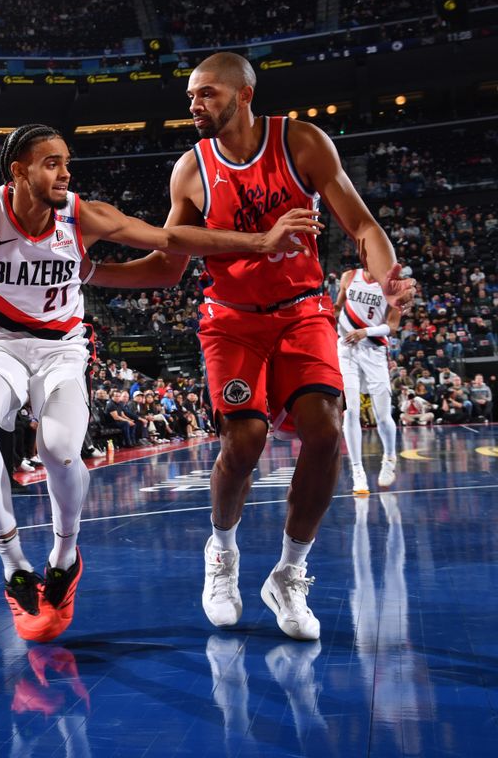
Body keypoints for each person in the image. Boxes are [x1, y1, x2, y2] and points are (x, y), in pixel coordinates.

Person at [0, 122, 319, 643]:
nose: (64, 172)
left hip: (62, 348)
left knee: (58, 449)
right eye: (51, 162)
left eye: (66, 162)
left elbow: (168, 240)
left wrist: (260, 241)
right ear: (19, 171)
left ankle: (65, 556)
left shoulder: (82, 215)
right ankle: (13, 568)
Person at [85, 53, 415, 640]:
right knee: (245, 439)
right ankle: (222, 553)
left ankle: (289, 573)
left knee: (325, 431)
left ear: (243, 95)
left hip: (302, 313)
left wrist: (389, 278)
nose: (193, 105)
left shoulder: (302, 142)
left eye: (206, 94)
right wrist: (91, 275)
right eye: (190, 96)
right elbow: (166, 268)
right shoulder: (192, 170)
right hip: (232, 319)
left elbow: (363, 229)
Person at [334, 266, 401, 493]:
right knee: (350, 411)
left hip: (374, 351)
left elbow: (392, 327)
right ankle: (357, 471)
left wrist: (366, 332)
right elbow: (337, 308)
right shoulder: (349, 276)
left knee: (382, 416)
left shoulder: (393, 286)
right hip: (346, 349)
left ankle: (390, 458)